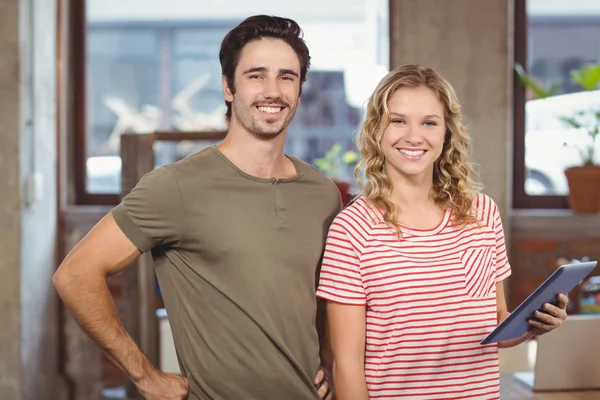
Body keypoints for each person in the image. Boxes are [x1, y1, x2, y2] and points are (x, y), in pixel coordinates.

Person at [53, 15, 340, 400]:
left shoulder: (322, 193)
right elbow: (75, 275)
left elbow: (326, 296)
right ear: (227, 86)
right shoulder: (177, 186)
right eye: (256, 75)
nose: (273, 90)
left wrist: (332, 361)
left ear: (299, 91)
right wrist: (144, 375)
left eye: (286, 77)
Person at [315, 64, 569, 400]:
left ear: (447, 132)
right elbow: (346, 364)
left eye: (429, 122)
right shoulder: (351, 230)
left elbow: (494, 324)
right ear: (376, 128)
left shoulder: (483, 214)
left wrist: (531, 325)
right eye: (398, 120)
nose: (414, 136)